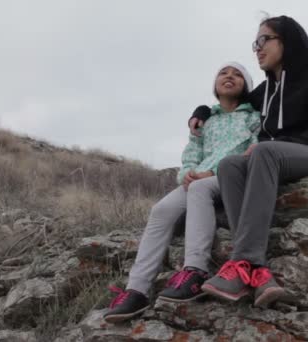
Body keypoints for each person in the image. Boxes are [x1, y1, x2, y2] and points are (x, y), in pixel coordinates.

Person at [189, 16, 308, 308]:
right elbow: (231, 98)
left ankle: (243, 260)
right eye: (254, 43)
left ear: (288, 41)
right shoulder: (266, 91)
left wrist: (275, 146)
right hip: (270, 160)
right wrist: (202, 112)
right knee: (231, 164)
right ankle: (256, 273)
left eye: (263, 40)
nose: (257, 49)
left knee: (261, 151)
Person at [104, 62, 261, 323]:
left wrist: (215, 172)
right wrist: (185, 174)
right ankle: (137, 290)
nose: (229, 77)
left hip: (230, 177)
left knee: (200, 189)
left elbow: (253, 150)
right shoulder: (204, 121)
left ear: (246, 86)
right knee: (161, 210)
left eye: (237, 75)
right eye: (224, 73)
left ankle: (195, 272)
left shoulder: (252, 117)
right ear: (215, 83)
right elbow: (191, 154)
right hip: (197, 178)